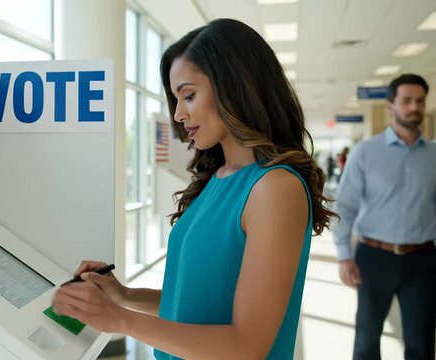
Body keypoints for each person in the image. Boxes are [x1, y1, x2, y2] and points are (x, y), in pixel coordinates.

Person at [52, 18, 335, 359]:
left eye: (188, 95)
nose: (179, 114)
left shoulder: (275, 188)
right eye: (176, 99)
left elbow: (247, 346)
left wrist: (122, 320)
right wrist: (124, 296)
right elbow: (198, 306)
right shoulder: (215, 180)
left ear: (234, 86)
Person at [333, 73, 436, 360]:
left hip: (423, 260)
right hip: (374, 258)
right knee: (367, 339)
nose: (414, 106)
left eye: (420, 101)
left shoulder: (434, 156)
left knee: (422, 342)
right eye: (406, 100)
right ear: (391, 105)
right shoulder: (366, 152)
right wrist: (344, 256)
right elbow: (345, 206)